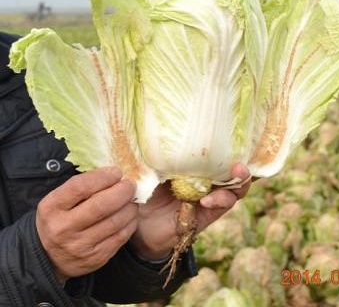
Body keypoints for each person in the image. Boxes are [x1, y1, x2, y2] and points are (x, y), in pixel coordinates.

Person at [0, 31, 251, 306]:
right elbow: (44, 258)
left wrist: (141, 247)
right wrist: (37, 259)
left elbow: (97, 284)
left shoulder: (37, 65)